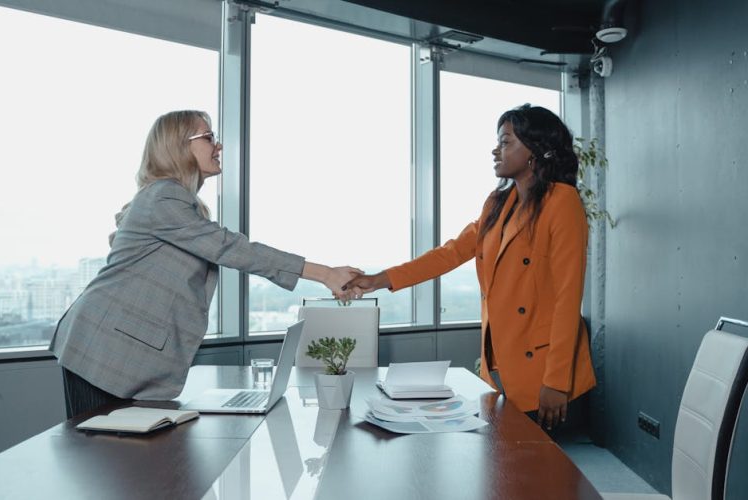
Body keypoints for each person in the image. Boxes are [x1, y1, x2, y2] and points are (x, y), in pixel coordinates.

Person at [51, 110, 361, 418]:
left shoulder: (175, 202)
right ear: (179, 146)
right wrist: (325, 274)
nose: (219, 146)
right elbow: (231, 248)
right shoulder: (164, 198)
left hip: (120, 354)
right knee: (101, 456)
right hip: (102, 352)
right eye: (209, 137)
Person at [345, 104, 596, 431]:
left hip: (546, 371)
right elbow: (449, 254)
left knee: (540, 476)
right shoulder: (497, 203)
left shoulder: (562, 202)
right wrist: (378, 280)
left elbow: (568, 298)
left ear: (535, 150)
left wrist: (557, 381)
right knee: (504, 471)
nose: (496, 150)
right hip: (499, 367)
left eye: (506, 142)